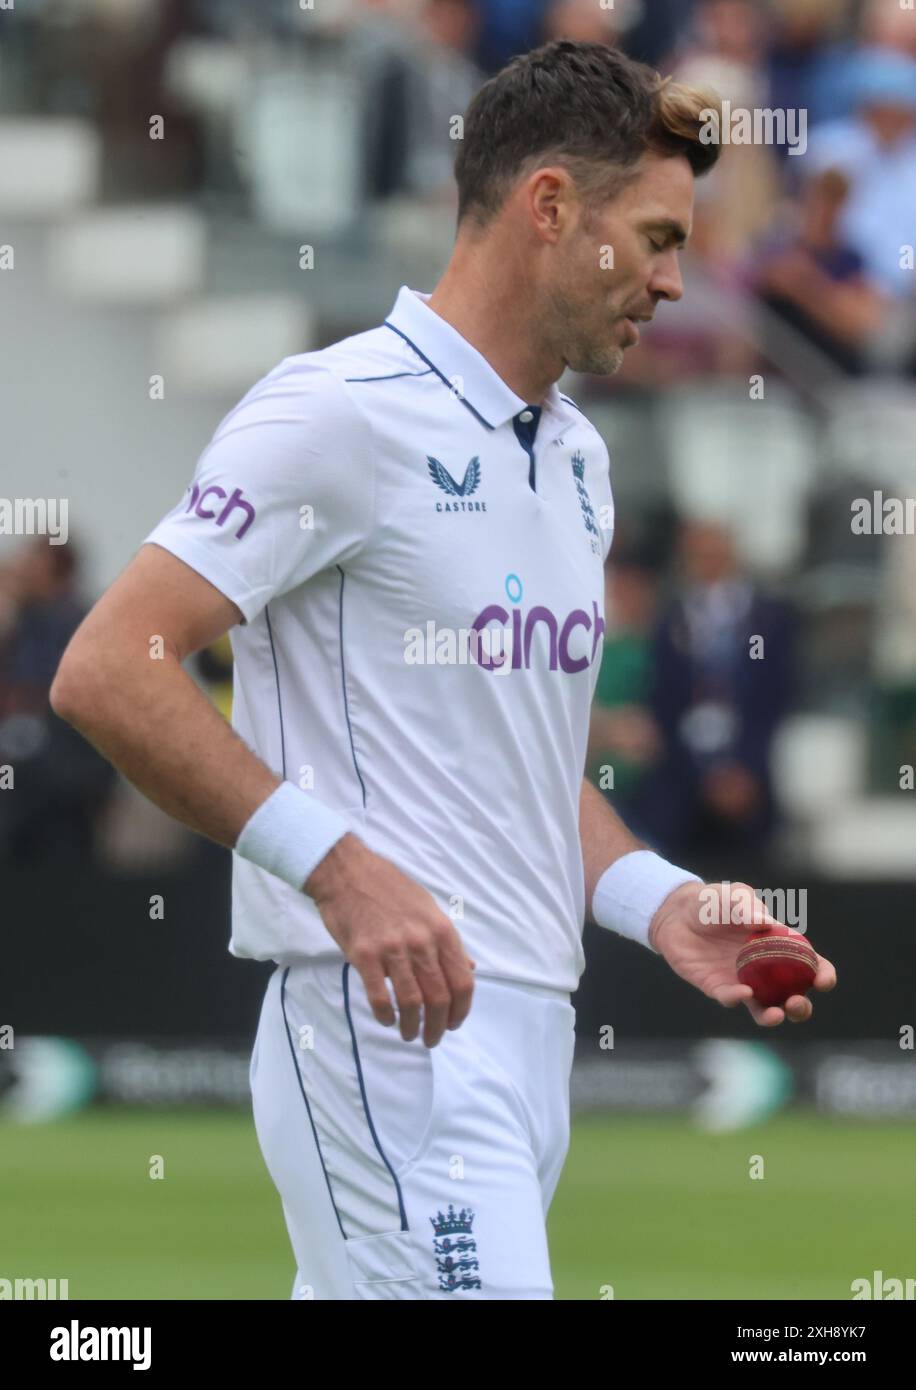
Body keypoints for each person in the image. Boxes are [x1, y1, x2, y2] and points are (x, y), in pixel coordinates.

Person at [51, 40, 836, 1301]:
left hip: (526, 1043)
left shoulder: (575, 457)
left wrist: (657, 902)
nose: (677, 282)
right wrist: (340, 869)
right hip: (391, 1033)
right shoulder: (338, 410)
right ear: (547, 210)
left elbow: (519, 769)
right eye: (653, 238)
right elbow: (109, 665)